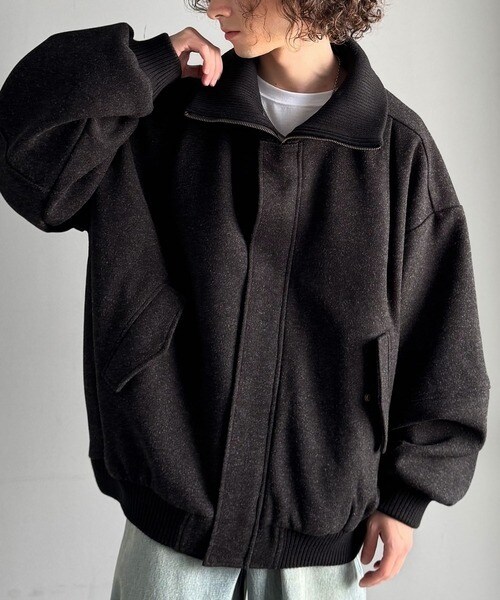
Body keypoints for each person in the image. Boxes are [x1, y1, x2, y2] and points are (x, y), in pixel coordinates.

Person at [0, 1, 490, 599]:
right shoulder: (164, 115)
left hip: (319, 543)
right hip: (170, 527)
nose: (215, 7)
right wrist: (146, 64)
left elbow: (442, 335)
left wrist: (408, 495)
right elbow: (27, 152)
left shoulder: (397, 150)